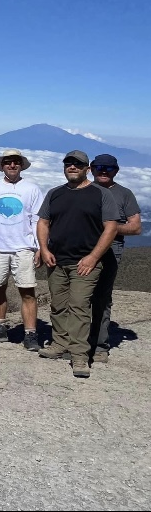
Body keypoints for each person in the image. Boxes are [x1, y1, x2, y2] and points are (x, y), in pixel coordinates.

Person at [36, 151, 119, 378]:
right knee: (58, 304)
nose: (72, 167)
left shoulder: (100, 195)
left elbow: (111, 228)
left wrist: (93, 257)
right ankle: (59, 344)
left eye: (78, 164)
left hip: (85, 262)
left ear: (87, 168)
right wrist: (44, 249)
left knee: (79, 306)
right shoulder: (55, 194)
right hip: (57, 260)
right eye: (68, 164)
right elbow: (43, 222)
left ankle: (80, 355)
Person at [0, 149, 44, 351]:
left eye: (16, 162)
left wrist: (40, 247)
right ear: (2, 165)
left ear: (21, 165)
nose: (12, 165)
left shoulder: (32, 189)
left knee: (28, 290)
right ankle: (0, 325)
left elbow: (38, 220)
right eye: (8, 162)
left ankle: (30, 332)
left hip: (24, 247)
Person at [88, 154, 142, 363]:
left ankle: (100, 344)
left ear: (116, 171)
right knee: (77, 298)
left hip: (111, 250)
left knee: (102, 297)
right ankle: (78, 342)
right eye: (99, 167)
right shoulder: (83, 189)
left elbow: (136, 227)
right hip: (79, 249)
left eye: (109, 168)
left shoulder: (124, 194)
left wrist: (109, 229)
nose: (104, 171)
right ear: (91, 169)